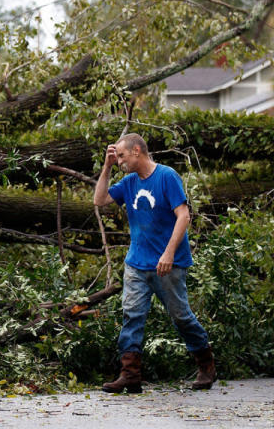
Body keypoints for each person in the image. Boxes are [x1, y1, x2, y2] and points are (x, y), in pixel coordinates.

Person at [93, 133, 216, 393]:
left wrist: (169, 253)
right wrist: (106, 166)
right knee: (132, 315)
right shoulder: (128, 183)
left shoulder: (167, 176)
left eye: (122, 157)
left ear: (137, 151)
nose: (120, 162)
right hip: (137, 264)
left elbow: (184, 216)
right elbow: (99, 200)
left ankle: (206, 364)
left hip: (168, 264)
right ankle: (130, 375)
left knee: (181, 316)